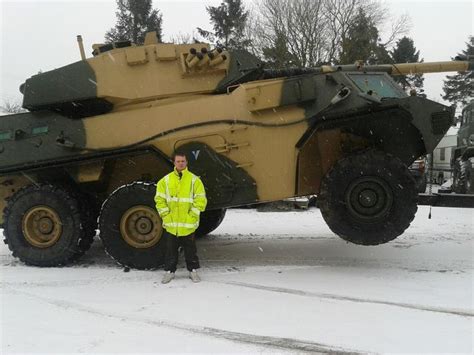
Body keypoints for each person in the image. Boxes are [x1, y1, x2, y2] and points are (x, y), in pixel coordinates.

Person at [155, 151, 207, 284]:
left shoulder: (195, 180)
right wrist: (166, 215)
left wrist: (192, 215)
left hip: (188, 224)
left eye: (183, 161)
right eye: (178, 161)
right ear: (174, 162)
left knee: (191, 250)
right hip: (171, 224)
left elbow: (200, 200)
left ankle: (193, 271)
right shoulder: (165, 181)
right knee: (170, 250)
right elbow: (159, 200)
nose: (180, 163)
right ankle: (169, 272)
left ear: (186, 162)